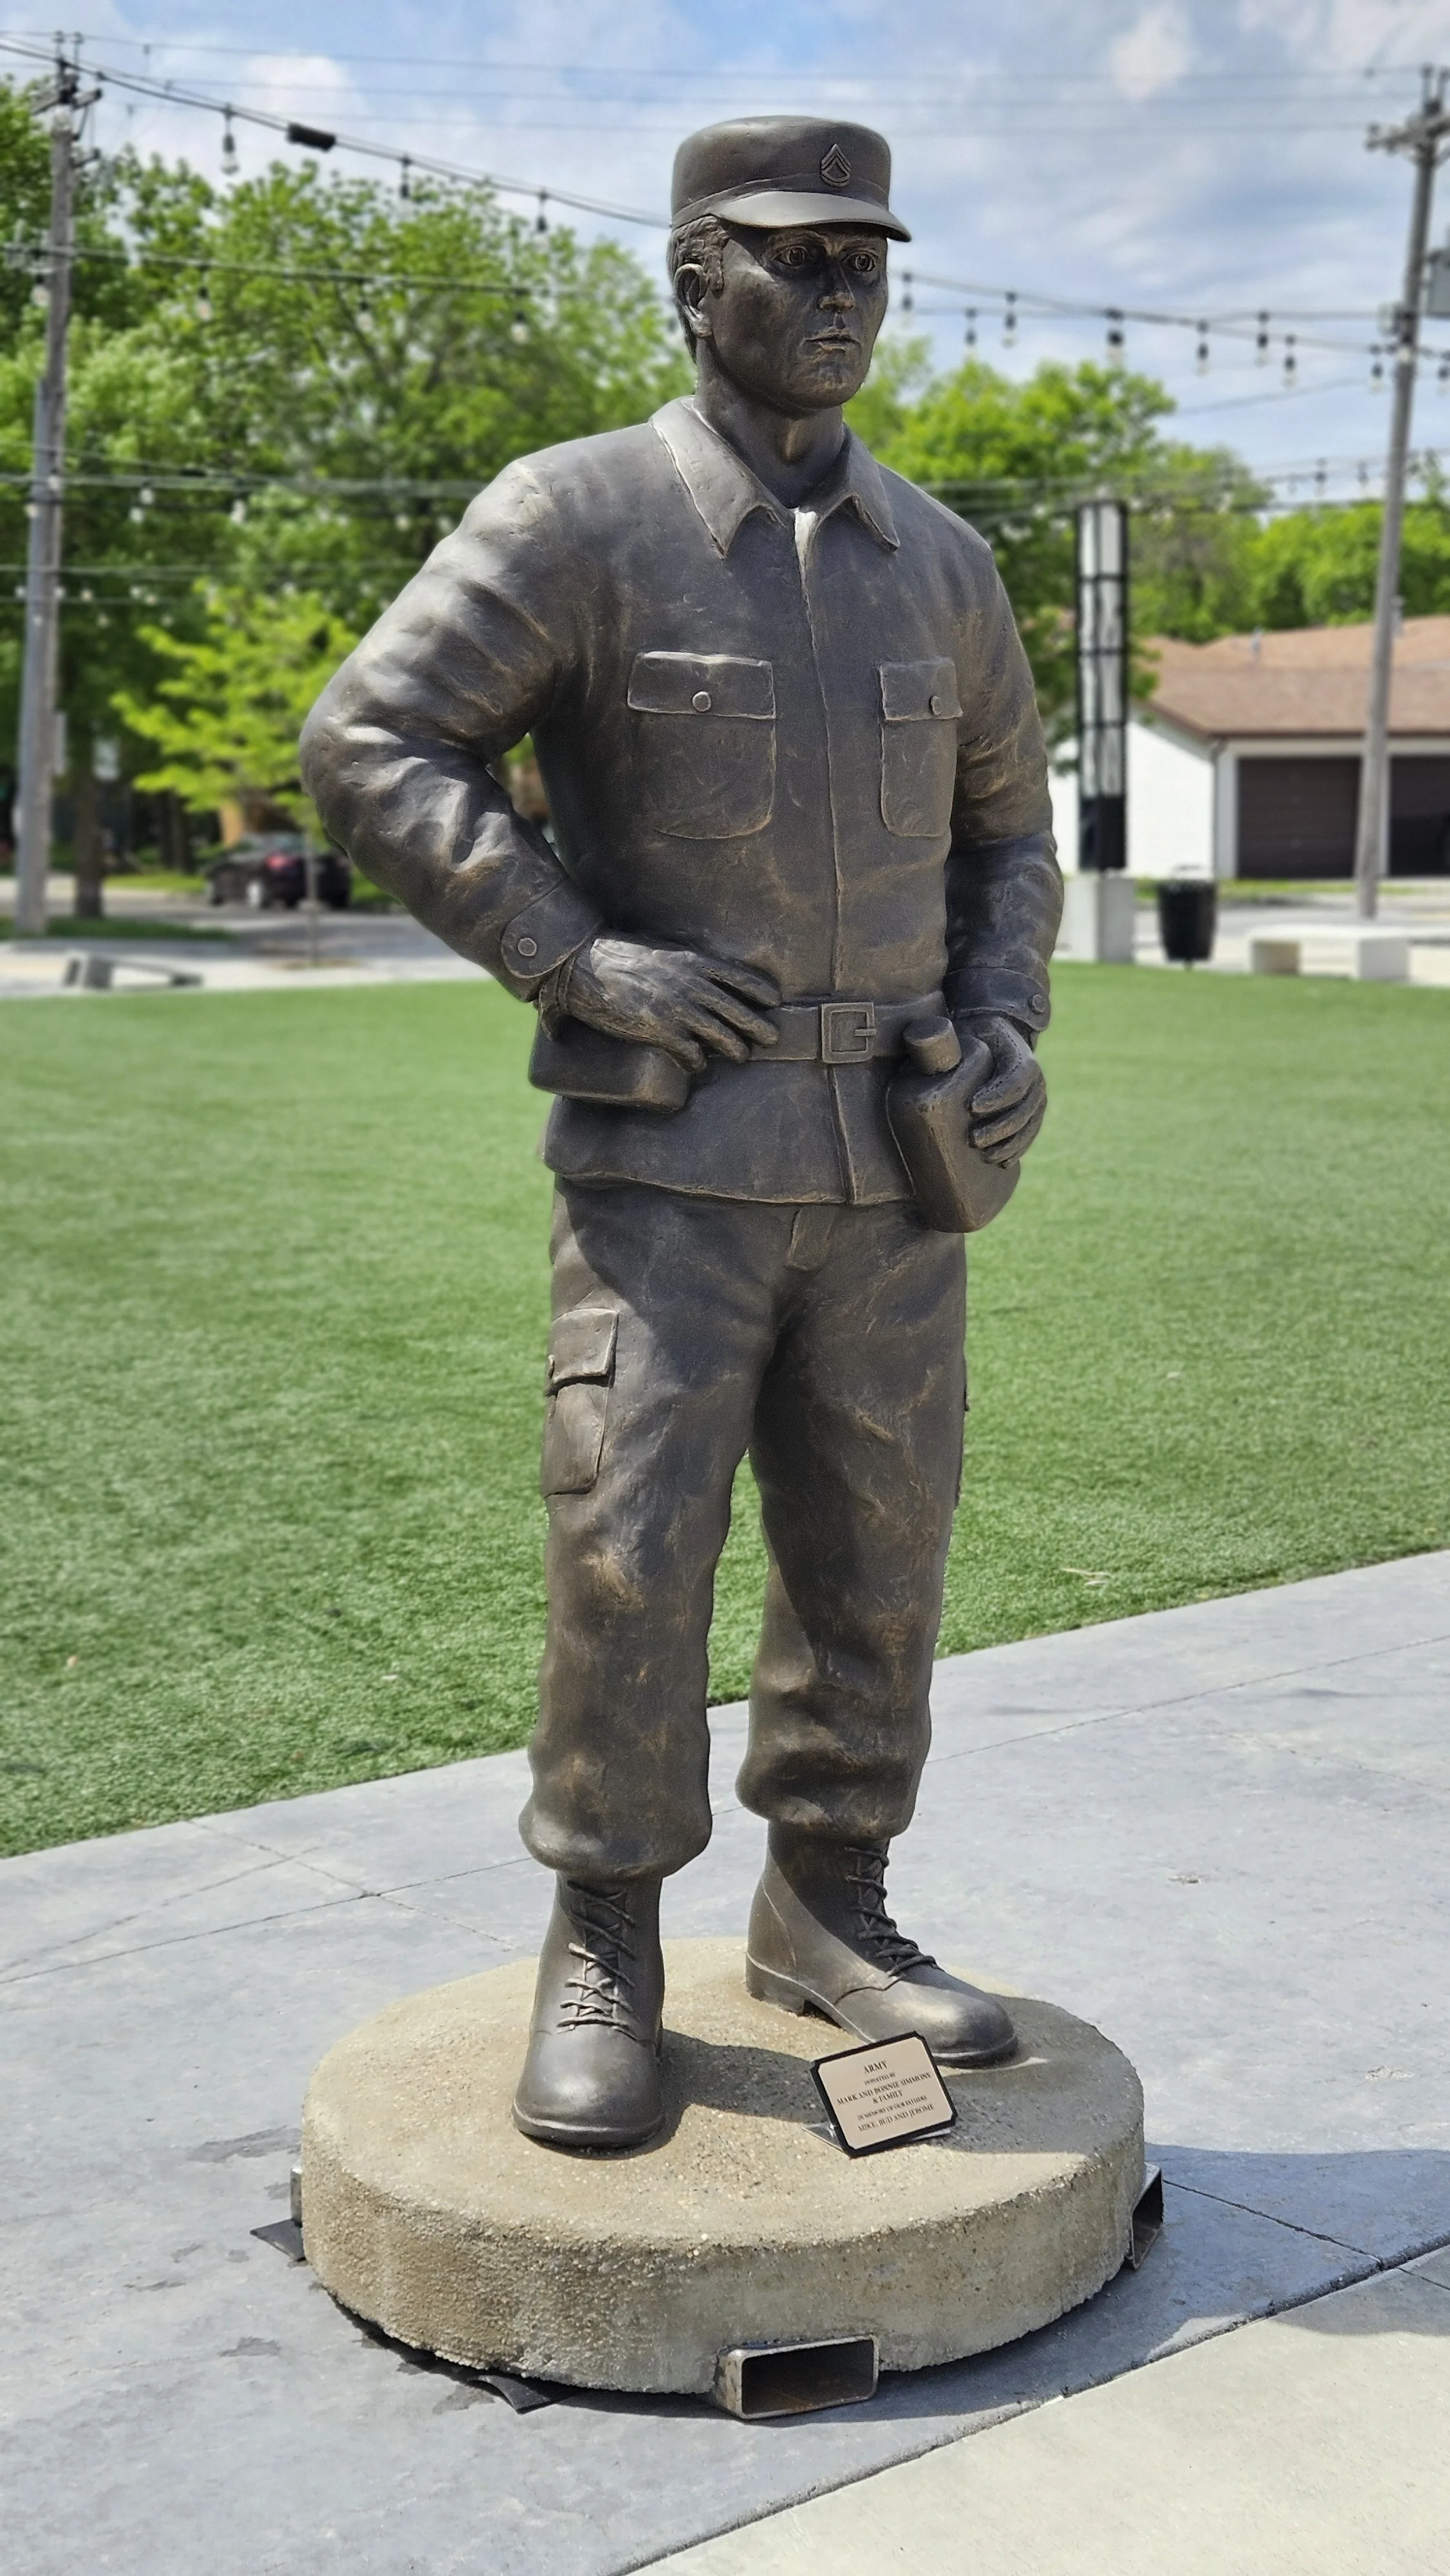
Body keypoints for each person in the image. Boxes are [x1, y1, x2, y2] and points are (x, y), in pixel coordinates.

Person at [300, 116, 1062, 2153]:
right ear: (693, 277)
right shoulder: (579, 517)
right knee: (629, 1552)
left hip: (894, 1171)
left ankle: (829, 1902)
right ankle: (604, 1939)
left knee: (878, 1550)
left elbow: (1010, 837)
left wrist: (1005, 1021)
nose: (842, 295)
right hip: (666, 1173)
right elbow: (372, 736)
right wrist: (572, 955)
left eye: (866, 262)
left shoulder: (941, 565)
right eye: (797, 258)